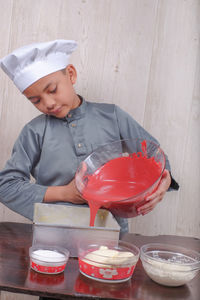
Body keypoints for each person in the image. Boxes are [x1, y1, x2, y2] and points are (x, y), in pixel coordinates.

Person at [0, 39, 179, 234]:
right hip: (53, 235)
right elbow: (7, 186)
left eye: (52, 90)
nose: (48, 103)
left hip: (111, 235)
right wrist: (66, 193)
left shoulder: (113, 116)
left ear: (71, 74)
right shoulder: (34, 132)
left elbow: (154, 155)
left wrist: (164, 181)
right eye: (36, 101)